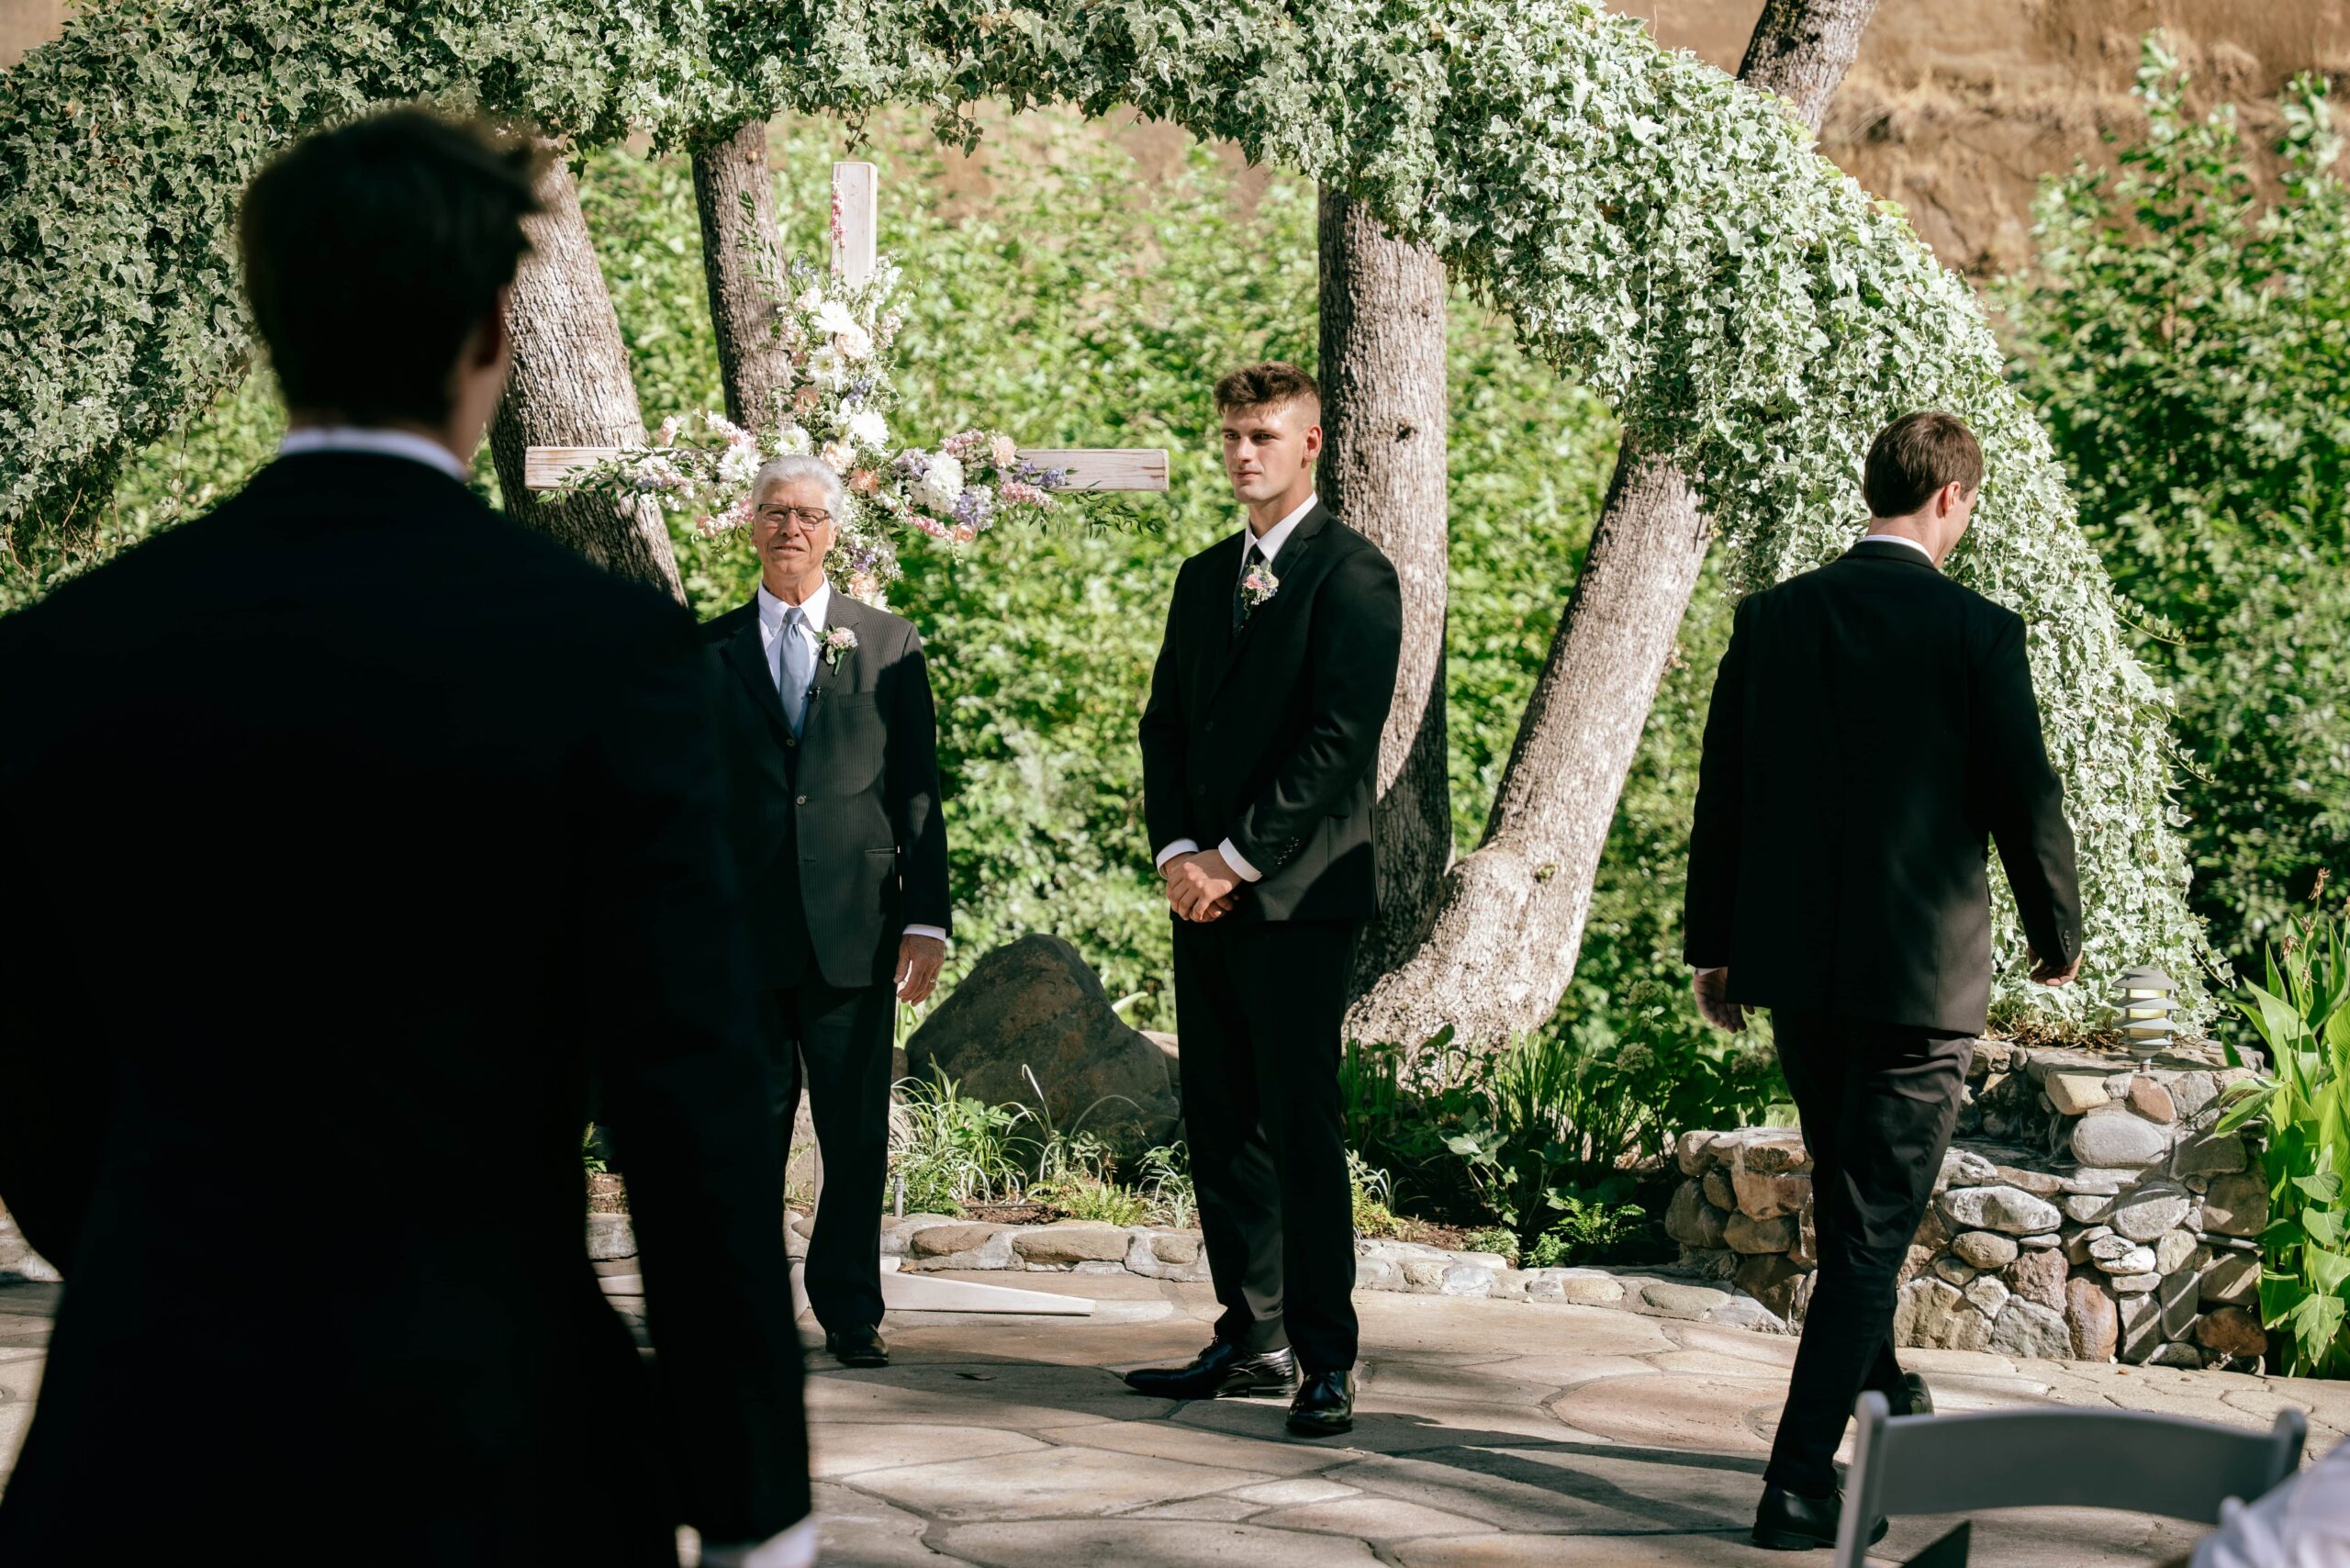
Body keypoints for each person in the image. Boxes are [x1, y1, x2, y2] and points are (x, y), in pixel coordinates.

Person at [0, 110, 810, 1567]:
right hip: (500, 1433)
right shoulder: (602, 653)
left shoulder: (63, 653)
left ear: (269, 325)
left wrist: (176, 1265)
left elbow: (28, 1073)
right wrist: (756, 1503)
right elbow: (688, 1093)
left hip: (149, 1435)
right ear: (497, 329)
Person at [1684, 410, 2083, 1551]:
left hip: (1800, 978)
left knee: (1849, 1202)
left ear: (1876, 487)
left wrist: (1715, 946)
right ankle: (1798, 1480)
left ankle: (1888, 1398)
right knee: (1869, 1234)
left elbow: (1726, 794)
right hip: (1916, 984)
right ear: (1951, 499)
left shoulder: (1771, 621)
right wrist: (2057, 929)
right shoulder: (1975, 630)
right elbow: (2025, 792)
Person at [1126, 362, 1403, 1438]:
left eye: (1264, 436)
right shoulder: (1203, 576)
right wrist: (1175, 853)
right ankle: (1250, 1331)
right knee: (1220, 1117)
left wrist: (1233, 859)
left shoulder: (1354, 575)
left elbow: (1339, 743)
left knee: (1298, 1124)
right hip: (1201, 891)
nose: (1244, 453)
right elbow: (1164, 726)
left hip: (1293, 897)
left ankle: (1325, 1358)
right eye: (1232, 435)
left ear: (1311, 445)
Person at [701, 455, 950, 1371]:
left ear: (833, 531)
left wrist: (927, 920)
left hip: (857, 928)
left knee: (852, 1136)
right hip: (740, 938)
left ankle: (851, 1309)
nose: (790, 529)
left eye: (807, 515)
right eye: (774, 513)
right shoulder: (707, 650)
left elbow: (918, 792)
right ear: (751, 525)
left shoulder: (887, 642)